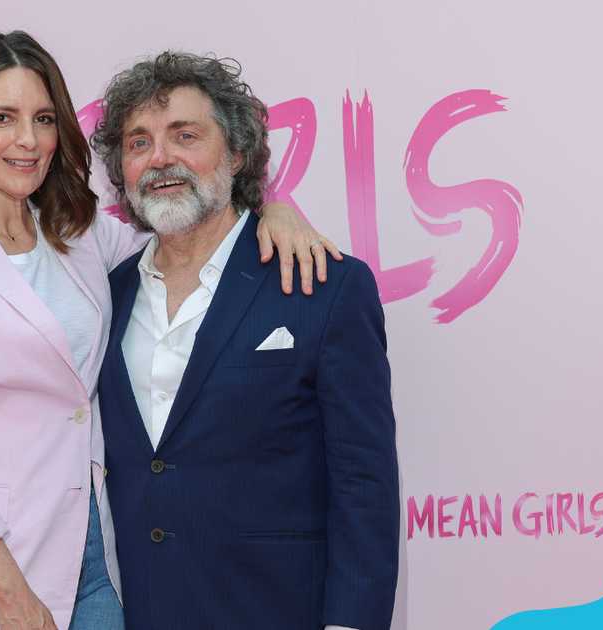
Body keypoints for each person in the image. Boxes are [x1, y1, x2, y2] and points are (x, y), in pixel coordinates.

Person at [0, 32, 339, 630]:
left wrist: (272, 210)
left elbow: (190, 238)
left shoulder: (79, 233)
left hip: (99, 564)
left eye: (43, 118)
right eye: (2, 118)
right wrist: (12, 595)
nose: (27, 140)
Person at [93, 51, 400, 630]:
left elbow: (364, 483)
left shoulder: (323, 287)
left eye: (185, 135)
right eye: (139, 143)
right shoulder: (105, 297)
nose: (160, 158)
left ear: (236, 153)